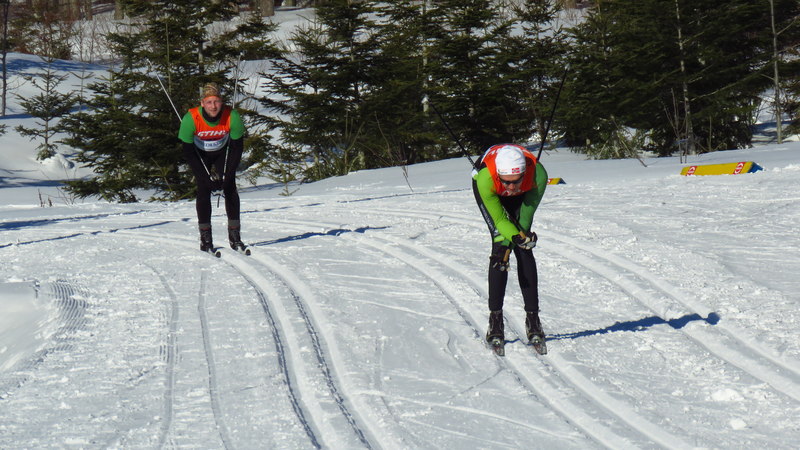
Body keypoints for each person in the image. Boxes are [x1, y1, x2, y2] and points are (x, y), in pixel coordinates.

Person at [472, 143, 548, 354]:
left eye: (516, 181)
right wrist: (509, 241)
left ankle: (533, 319)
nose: (512, 187)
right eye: (507, 181)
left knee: (524, 249)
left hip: (527, 191)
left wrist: (520, 237)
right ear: (499, 176)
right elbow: (499, 220)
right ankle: (495, 320)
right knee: (500, 248)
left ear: (524, 173)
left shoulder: (538, 175)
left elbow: (526, 216)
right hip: (492, 191)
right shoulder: (486, 179)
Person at [178, 82, 248, 254]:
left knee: (230, 188)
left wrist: (228, 174)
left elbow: (237, 147)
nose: (213, 106)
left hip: (222, 151)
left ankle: (235, 236)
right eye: (209, 102)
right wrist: (205, 177)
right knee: (203, 189)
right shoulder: (191, 118)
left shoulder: (232, 116)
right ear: (202, 103)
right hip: (199, 153)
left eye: (216, 101)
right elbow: (188, 152)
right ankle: (206, 238)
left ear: (221, 102)